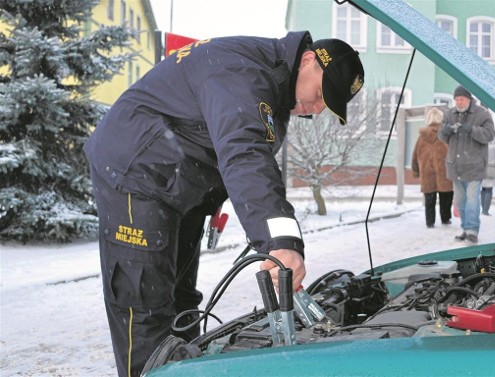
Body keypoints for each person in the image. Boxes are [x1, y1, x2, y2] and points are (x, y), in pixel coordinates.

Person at [83, 31, 364, 377]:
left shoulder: (272, 88)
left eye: (326, 106)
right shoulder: (241, 72)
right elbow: (244, 154)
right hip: (136, 174)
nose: (317, 109)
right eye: (320, 95)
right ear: (308, 61)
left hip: (176, 186)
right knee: (146, 309)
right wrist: (281, 243)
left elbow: (233, 154)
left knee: (181, 304)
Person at [438, 85, 495, 244]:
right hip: (455, 165)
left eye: (461, 99)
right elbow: (441, 135)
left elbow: (490, 135)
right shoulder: (450, 114)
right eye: (456, 99)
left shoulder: (482, 113)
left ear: (469, 99)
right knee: (460, 201)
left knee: (472, 200)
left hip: (474, 165)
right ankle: (465, 228)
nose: (459, 102)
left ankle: (472, 231)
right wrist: (447, 130)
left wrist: (472, 129)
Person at [411, 107, 453, 228]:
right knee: (446, 195)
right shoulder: (446, 135)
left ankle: (430, 221)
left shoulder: (422, 137)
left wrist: (416, 171)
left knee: (429, 197)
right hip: (444, 172)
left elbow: (415, 155)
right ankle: (445, 218)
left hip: (427, 172)